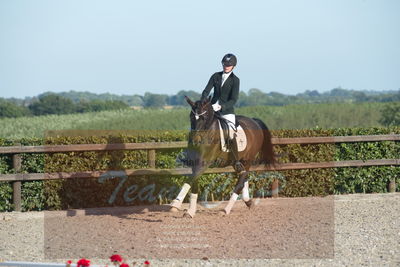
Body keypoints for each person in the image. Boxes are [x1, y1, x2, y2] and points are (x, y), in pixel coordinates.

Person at [200, 53, 244, 172]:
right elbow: (206, 90)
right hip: (212, 108)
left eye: (228, 65)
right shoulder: (215, 76)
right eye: (224, 64)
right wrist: (203, 102)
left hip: (226, 111)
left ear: (233, 66)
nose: (226, 66)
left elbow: (234, 99)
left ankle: (237, 161)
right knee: (199, 123)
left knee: (230, 133)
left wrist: (222, 106)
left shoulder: (235, 80)